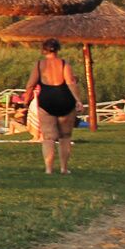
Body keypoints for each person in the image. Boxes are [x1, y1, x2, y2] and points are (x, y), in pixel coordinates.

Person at [25, 38, 80, 175]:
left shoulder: (39, 65)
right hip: (65, 100)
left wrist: (26, 100)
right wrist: (78, 100)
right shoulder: (64, 64)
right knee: (65, 137)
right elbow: (70, 82)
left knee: (48, 138)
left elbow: (30, 85)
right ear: (58, 49)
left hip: (47, 101)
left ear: (43, 50)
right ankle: (64, 168)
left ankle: (49, 169)